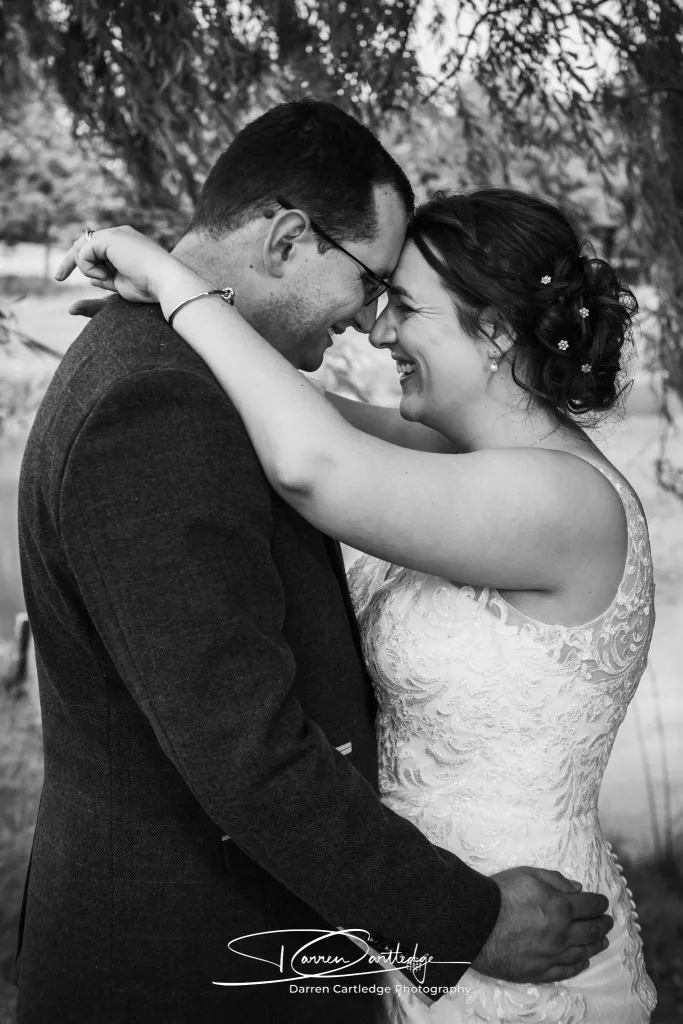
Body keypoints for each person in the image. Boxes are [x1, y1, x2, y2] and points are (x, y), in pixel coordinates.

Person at [14, 99, 611, 1024]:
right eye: (372, 281)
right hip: (185, 968)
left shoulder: (191, 374)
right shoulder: (158, 405)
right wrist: (459, 923)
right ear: (289, 240)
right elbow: (242, 749)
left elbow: (329, 448)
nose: (368, 322)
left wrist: (166, 277)